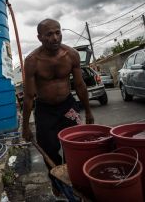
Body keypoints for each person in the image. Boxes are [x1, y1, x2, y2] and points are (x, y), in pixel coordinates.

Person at [22, 18, 94, 197]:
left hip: (68, 106)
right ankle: (57, 183)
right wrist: (24, 127)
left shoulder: (71, 55)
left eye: (58, 32)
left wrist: (89, 112)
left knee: (75, 146)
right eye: (49, 34)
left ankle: (75, 182)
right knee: (50, 149)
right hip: (45, 110)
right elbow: (29, 96)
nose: (55, 38)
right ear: (40, 38)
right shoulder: (32, 61)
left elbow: (80, 85)